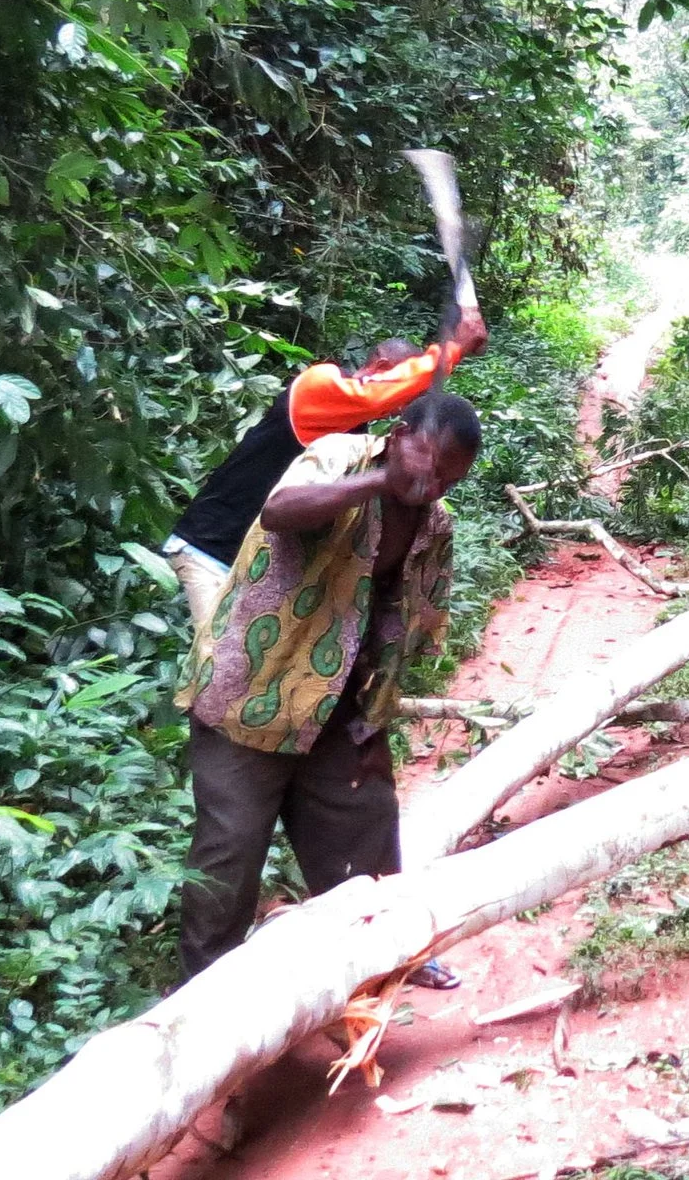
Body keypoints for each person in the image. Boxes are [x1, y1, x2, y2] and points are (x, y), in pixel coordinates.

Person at [170, 390, 483, 983]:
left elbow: (404, 626)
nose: (432, 484)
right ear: (397, 433)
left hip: (336, 705)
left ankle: (392, 953)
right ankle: (201, 991)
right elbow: (282, 510)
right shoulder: (339, 456)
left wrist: (373, 719)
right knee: (228, 852)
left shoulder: (436, 524)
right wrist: (381, 483)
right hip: (250, 693)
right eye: (426, 464)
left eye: (449, 478)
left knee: (368, 825)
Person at [163, 298, 486, 636]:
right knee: (216, 662)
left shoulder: (355, 436)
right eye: (401, 396)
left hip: (256, 563)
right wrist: (453, 349)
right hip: (212, 548)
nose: (395, 410)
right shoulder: (317, 387)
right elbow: (375, 397)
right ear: (380, 365)